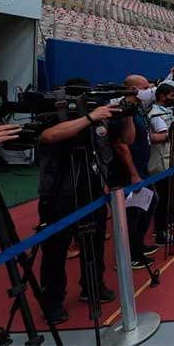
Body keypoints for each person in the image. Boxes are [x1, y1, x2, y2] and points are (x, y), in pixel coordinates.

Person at [36, 79, 126, 325]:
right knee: (55, 250)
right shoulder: (56, 112)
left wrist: (126, 115)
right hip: (58, 194)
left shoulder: (97, 117)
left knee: (95, 242)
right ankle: (52, 301)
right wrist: (89, 118)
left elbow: (124, 139)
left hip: (92, 188)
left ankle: (93, 286)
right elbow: (49, 136)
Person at [111, 74, 159, 269]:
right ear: (133, 90)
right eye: (146, 87)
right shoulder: (120, 110)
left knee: (149, 203)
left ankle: (137, 245)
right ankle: (130, 254)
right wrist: (132, 174)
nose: (150, 90)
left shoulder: (137, 109)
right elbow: (121, 144)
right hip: (128, 171)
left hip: (141, 166)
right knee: (132, 213)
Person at [148, 83, 174, 246]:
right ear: (162, 96)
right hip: (164, 161)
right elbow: (163, 135)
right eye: (172, 96)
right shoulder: (156, 114)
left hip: (172, 157)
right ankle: (161, 233)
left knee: (170, 197)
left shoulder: (167, 111)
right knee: (165, 198)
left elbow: (173, 132)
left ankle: (164, 229)